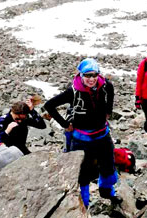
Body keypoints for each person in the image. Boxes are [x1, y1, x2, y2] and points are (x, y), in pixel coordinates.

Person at [44, 58, 119, 207]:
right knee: (83, 174)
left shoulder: (106, 86)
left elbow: (110, 96)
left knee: (108, 167)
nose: (91, 79)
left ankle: (107, 194)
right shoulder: (73, 91)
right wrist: (65, 124)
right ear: (81, 75)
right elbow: (49, 105)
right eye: (87, 75)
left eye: (94, 75)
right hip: (81, 139)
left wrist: (108, 112)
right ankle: (83, 205)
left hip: (102, 136)